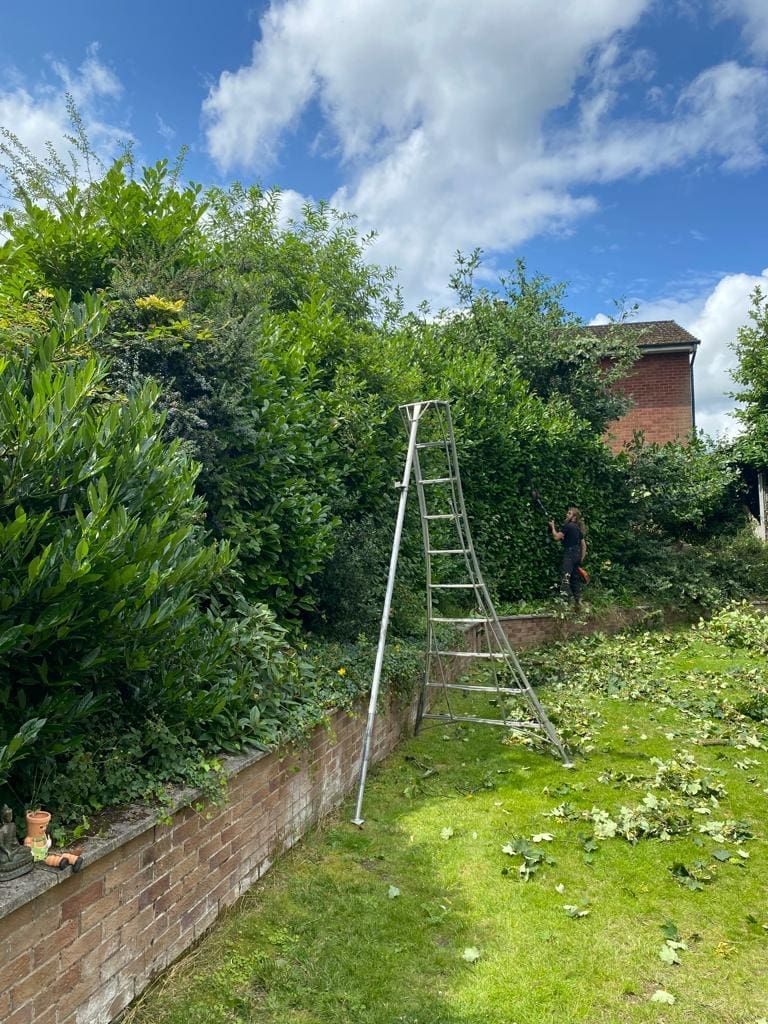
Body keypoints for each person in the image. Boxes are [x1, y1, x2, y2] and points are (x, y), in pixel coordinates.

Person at [549, 507, 587, 609]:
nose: (567, 514)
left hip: (569, 554)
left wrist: (552, 527)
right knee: (575, 579)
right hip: (576, 555)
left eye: (569, 513)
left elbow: (556, 537)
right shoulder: (577, 528)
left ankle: (566, 603)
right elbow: (584, 545)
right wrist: (581, 559)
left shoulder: (568, 526)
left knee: (565, 577)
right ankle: (578, 602)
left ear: (574, 517)